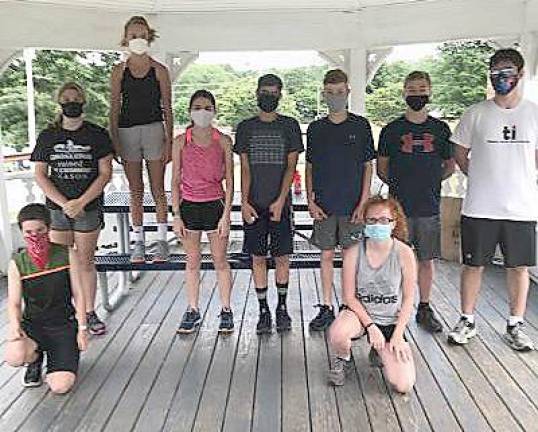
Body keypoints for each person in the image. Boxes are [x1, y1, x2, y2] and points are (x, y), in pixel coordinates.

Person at [448, 48, 537, 351]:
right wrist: (477, 173)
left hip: (521, 207)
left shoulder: (533, 113)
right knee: (473, 266)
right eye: (496, 71)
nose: (502, 77)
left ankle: (515, 324)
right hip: (479, 206)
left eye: (508, 70)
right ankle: (467, 319)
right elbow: (459, 150)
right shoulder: (476, 113)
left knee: (519, 266)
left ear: (521, 74)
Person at [32, 82, 114, 336]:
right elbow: (41, 174)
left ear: (83, 100)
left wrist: (80, 202)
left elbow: (105, 173)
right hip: (57, 210)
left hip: (88, 208)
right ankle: (65, 311)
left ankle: (89, 312)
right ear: (59, 102)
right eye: (66, 98)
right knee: (62, 263)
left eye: (75, 97)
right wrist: (64, 203)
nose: (71, 102)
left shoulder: (97, 134)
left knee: (85, 261)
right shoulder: (48, 136)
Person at [377, 71, 455, 333]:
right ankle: (393, 310)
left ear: (429, 91)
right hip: (398, 208)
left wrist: (429, 183)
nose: (416, 93)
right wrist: (400, 188)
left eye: (421, 88)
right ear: (404, 92)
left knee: (425, 259)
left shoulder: (441, 130)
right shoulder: (391, 130)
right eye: (411, 89)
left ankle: (424, 307)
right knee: (395, 260)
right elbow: (382, 169)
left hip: (428, 206)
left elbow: (449, 167)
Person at [234, 74, 304, 334]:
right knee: (258, 257)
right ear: (257, 93)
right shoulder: (245, 127)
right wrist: (244, 202)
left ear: (280, 95)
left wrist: (281, 200)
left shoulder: (290, 126)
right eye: (265, 91)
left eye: (273, 92)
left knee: (283, 257)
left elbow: (291, 167)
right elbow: (244, 167)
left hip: (280, 205)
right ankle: (263, 310)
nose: (269, 96)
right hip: (254, 204)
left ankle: (282, 307)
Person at [306, 69, 375, 331]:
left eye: (340, 92)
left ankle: (350, 305)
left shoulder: (360, 125)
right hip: (324, 205)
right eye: (330, 93)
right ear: (324, 94)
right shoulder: (315, 129)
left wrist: (363, 202)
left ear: (348, 92)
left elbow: (368, 165)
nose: (335, 96)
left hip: (353, 205)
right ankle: (326, 306)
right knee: (325, 255)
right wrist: (311, 201)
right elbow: (309, 166)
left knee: (351, 257)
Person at [328, 196, 416, 393]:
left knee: (403, 384)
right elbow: (349, 296)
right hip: (360, 316)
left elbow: (409, 298)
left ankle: (379, 351)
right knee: (338, 334)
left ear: (394, 223)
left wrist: (398, 334)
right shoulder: (353, 252)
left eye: (384, 220)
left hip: (390, 319)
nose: (378, 225)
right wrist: (370, 326)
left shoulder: (404, 253)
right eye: (372, 220)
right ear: (364, 222)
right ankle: (344, 358)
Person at [109, 15, 173, 263]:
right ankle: (138, 242)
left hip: (154, 129)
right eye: (134, 35)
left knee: (158, 188)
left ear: (150, 38)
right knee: (135, 189)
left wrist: (169, 140)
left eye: (143, 35)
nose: (138, 39)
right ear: (126, 38)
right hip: (127, 131)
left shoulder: (160, 70)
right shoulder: (118, 71)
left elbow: (167, 107)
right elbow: (114, 107)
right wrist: (114, 138)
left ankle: (162, 241)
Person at [5, 204, 88, 392]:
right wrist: (15, 328)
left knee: (60, 386)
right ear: (22, 232)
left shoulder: (66, 254)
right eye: (28, 231)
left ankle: (61, 357)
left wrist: (82, 328)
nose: (35, 235)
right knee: (14, 355)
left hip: (63, 326)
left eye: (40, 230)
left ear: (49, 228)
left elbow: (78, 293)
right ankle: (35, 360)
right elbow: (15, 303)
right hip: (34, 326)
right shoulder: (18, 263)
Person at [171, 90, 234, 334]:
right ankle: (193, 309)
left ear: (214, 111)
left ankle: (226, 309)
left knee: (220, 260)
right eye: (198, 107)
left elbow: (230, 179)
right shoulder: (181, 141)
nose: (203, 112)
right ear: (190, 111)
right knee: (193, 260)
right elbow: (175, 180)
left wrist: (226, 214)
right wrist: (176, 214)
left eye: (208, 107)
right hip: (189, 205)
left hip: (214, 204)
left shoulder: (223, 141)